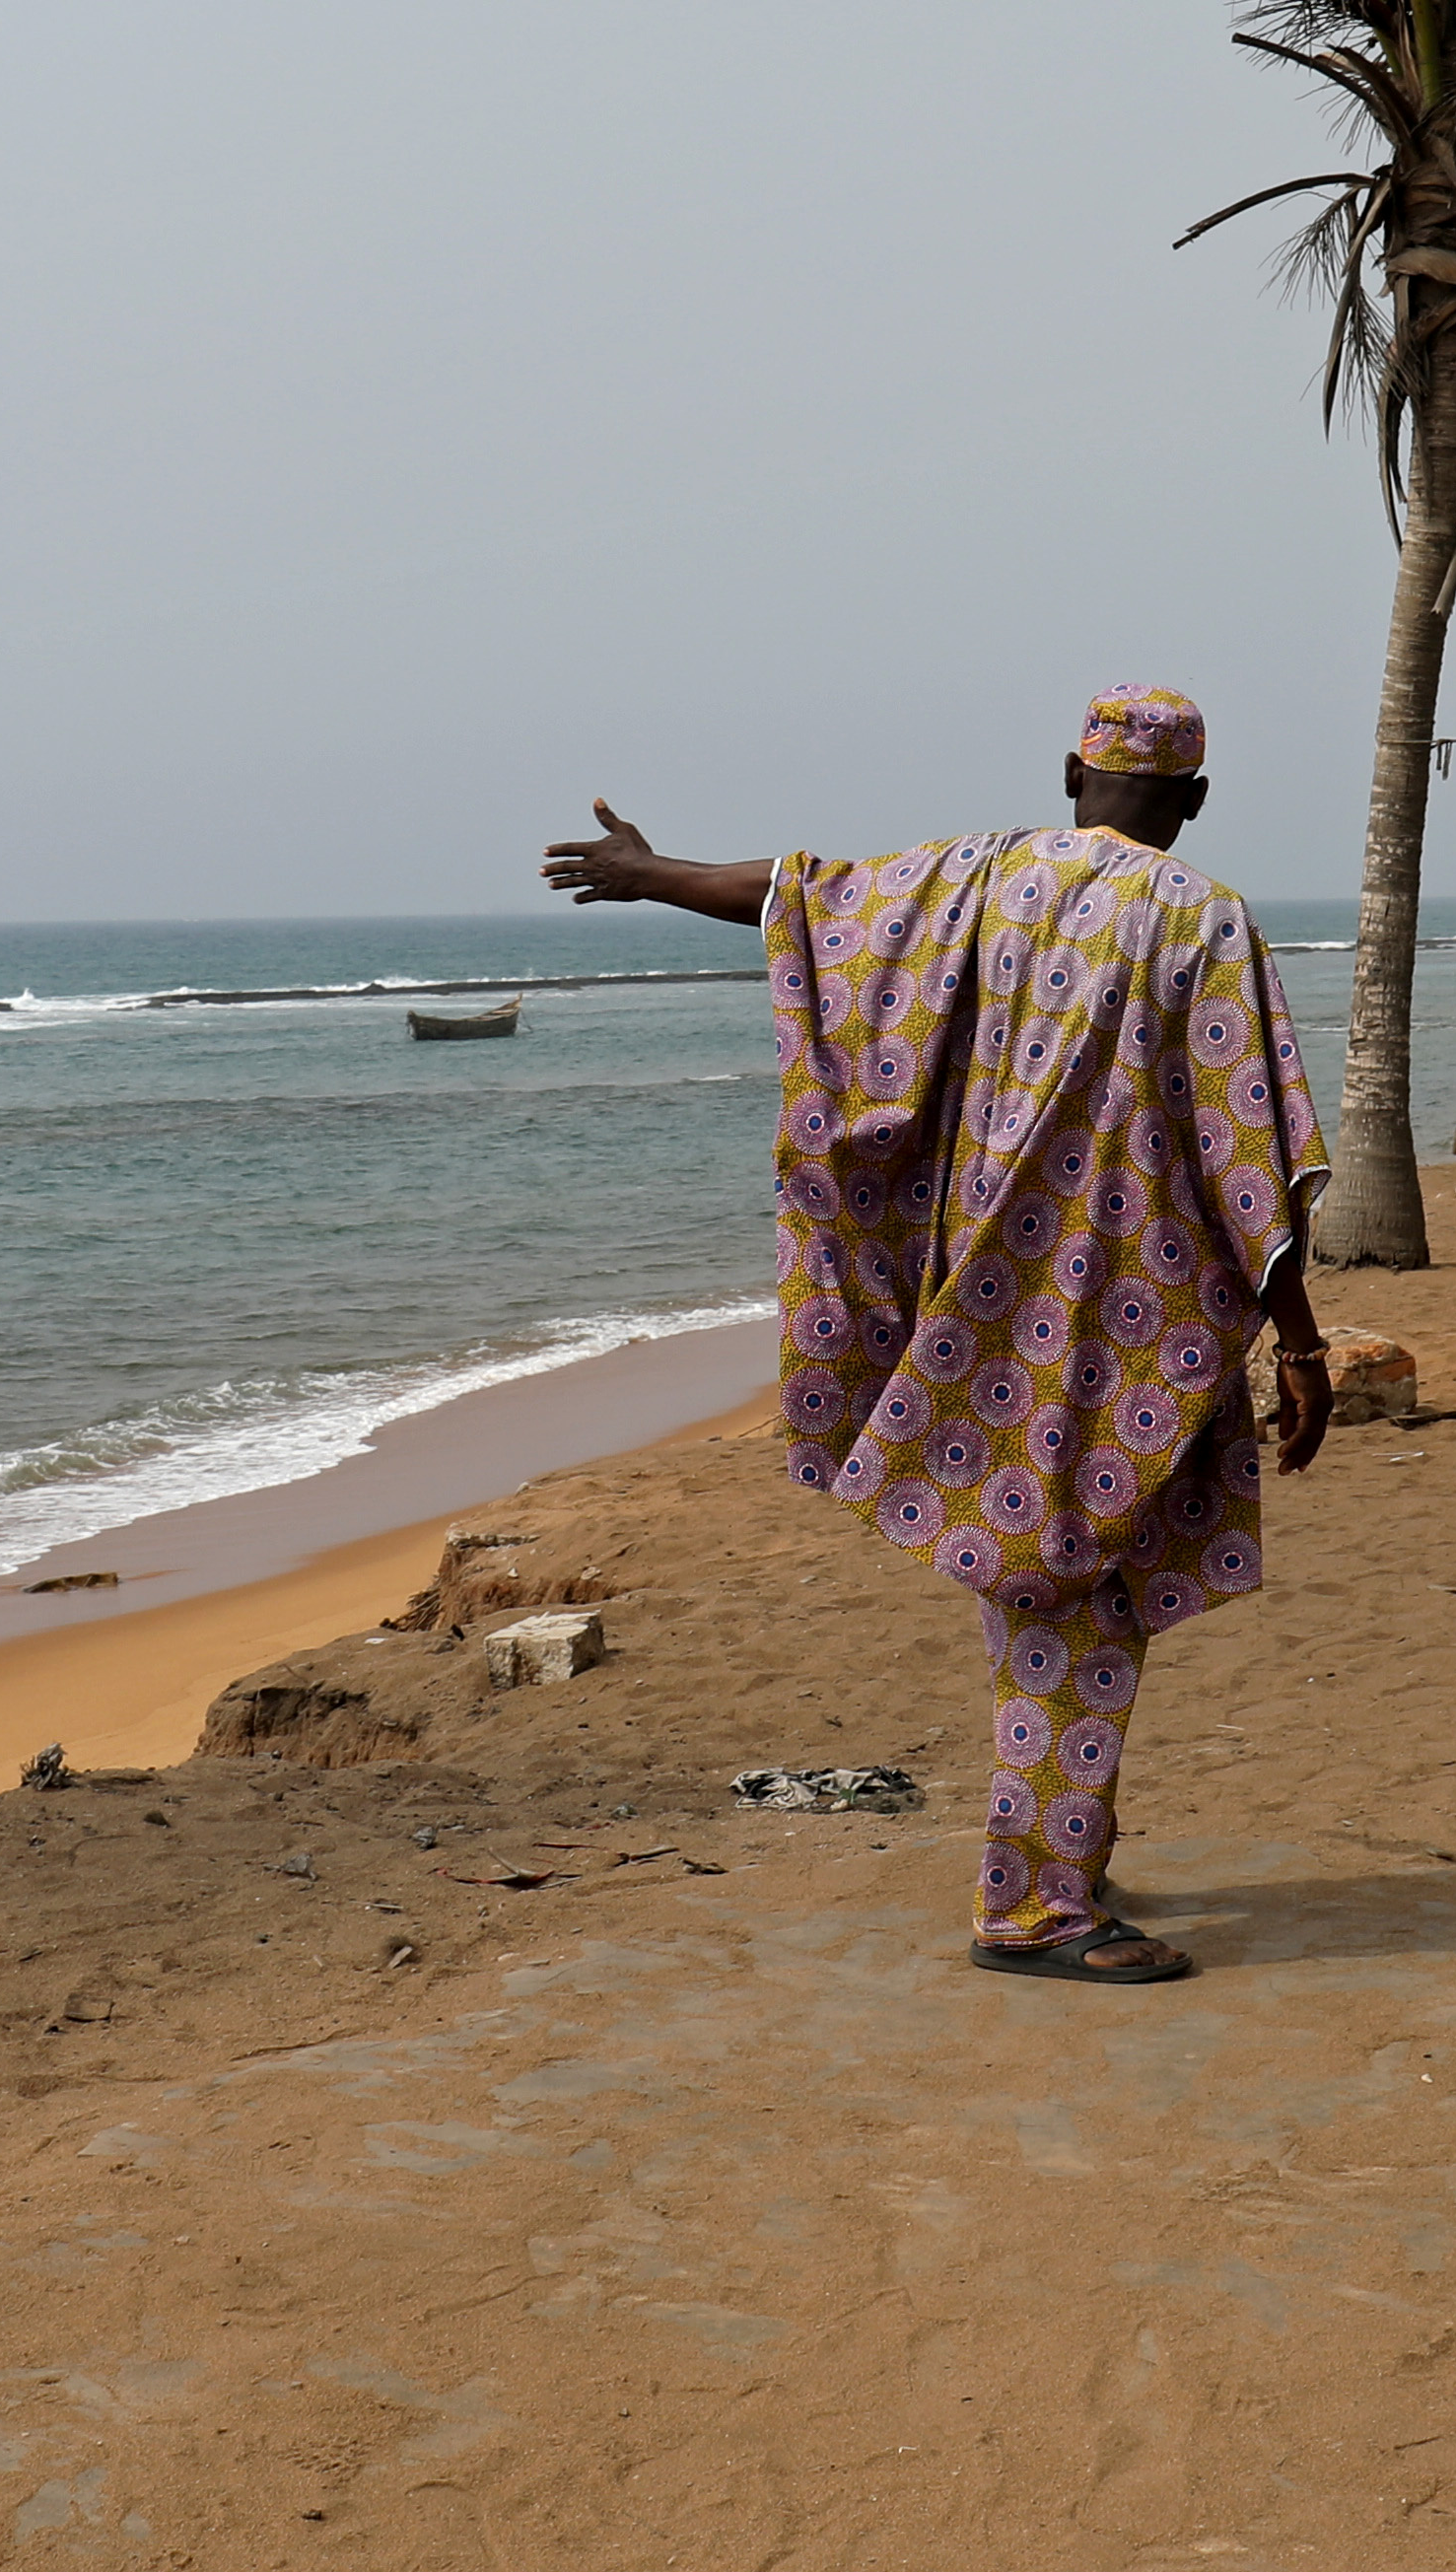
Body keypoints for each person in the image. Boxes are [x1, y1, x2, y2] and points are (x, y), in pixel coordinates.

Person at [544, 690, 1331, 1984]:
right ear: (1192, 801)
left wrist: (649, 871)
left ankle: (1072, 1850)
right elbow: (1249, 1152)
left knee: (1055, 1593)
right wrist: (1298, 1341)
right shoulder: (1200, 916)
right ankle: (1035, 1909)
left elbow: (798, 899)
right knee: (1071, 1605)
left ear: (1072, 772)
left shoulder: (973, 880)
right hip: (1117, 1328)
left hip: (975, 1316)